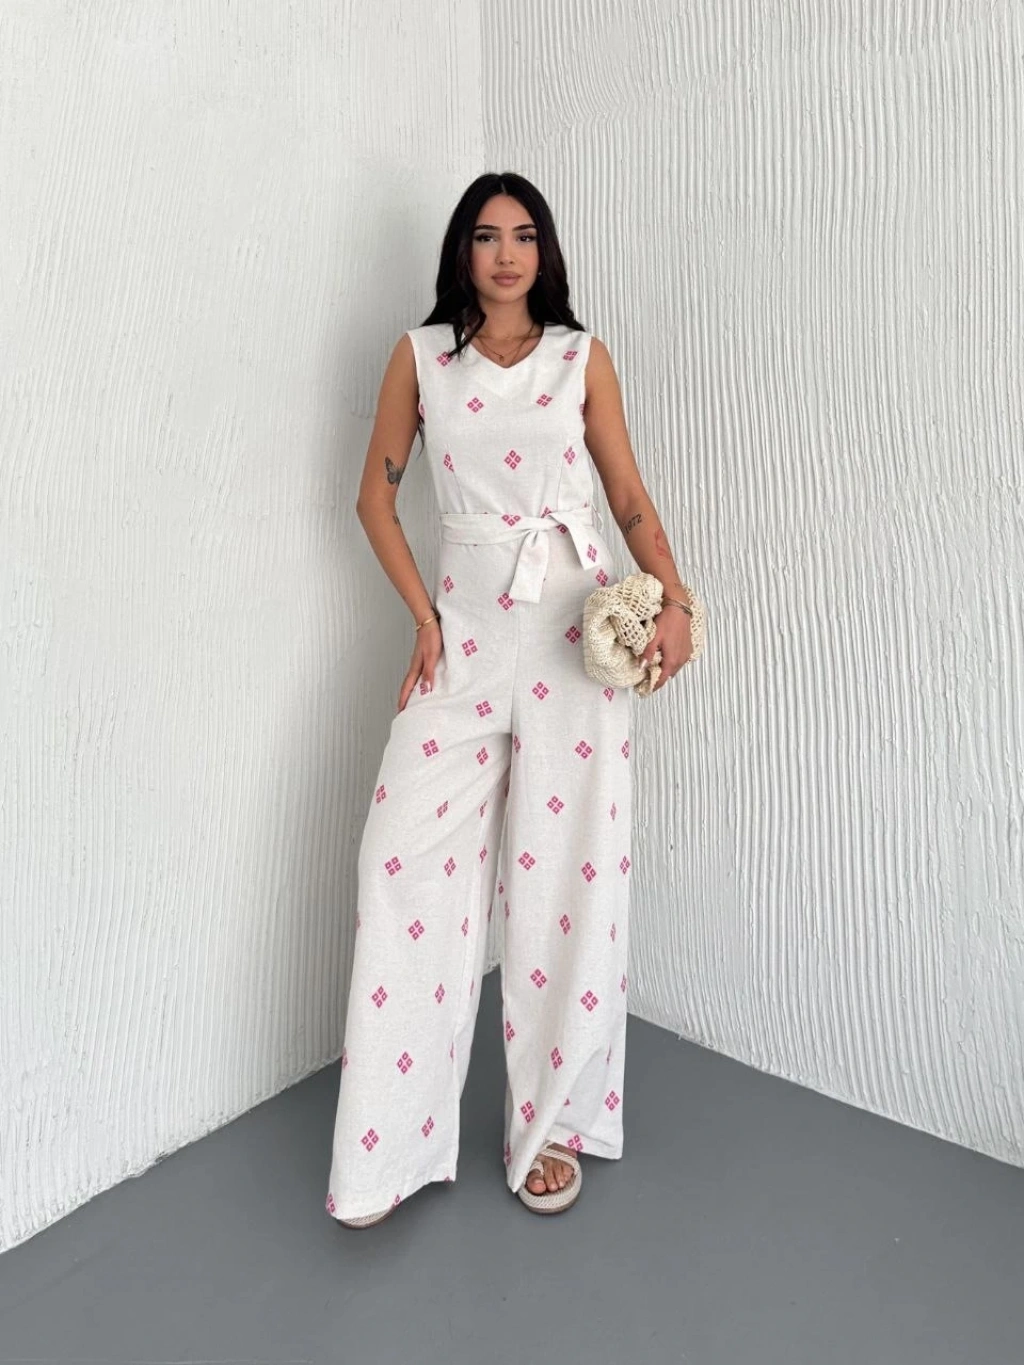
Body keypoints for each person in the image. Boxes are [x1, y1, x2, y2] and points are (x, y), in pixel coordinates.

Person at [325, 172, 695, 1228]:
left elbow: (626, 495)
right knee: (398, 858)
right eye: (486, 236)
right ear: (462, 251)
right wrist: (424, 619)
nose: (505, 254)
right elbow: (374, 498)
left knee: (567, 881)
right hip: (467, 638)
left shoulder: (581, 358)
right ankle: (388, 1147)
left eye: (524, 236)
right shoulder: (420, 360)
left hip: (577, 636)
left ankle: (553, 1128)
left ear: (545, 252)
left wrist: (674, 598)